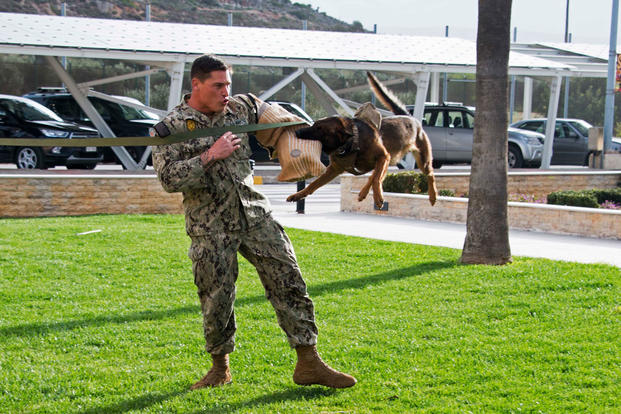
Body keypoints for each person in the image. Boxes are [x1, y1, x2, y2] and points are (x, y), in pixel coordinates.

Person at [151, 55, 356, 390]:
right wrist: (209, 155)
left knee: (289, 280)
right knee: (216, 296)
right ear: (196, 85)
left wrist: (311, 140)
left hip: (255, 215)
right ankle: (220, 369)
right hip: (211, 225)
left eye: (228, 84)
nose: (225, 91)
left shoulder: (241, 108)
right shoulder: (171, 127)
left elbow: (285, 123)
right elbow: (168, 178)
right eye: (218, 85)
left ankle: (309, 362)